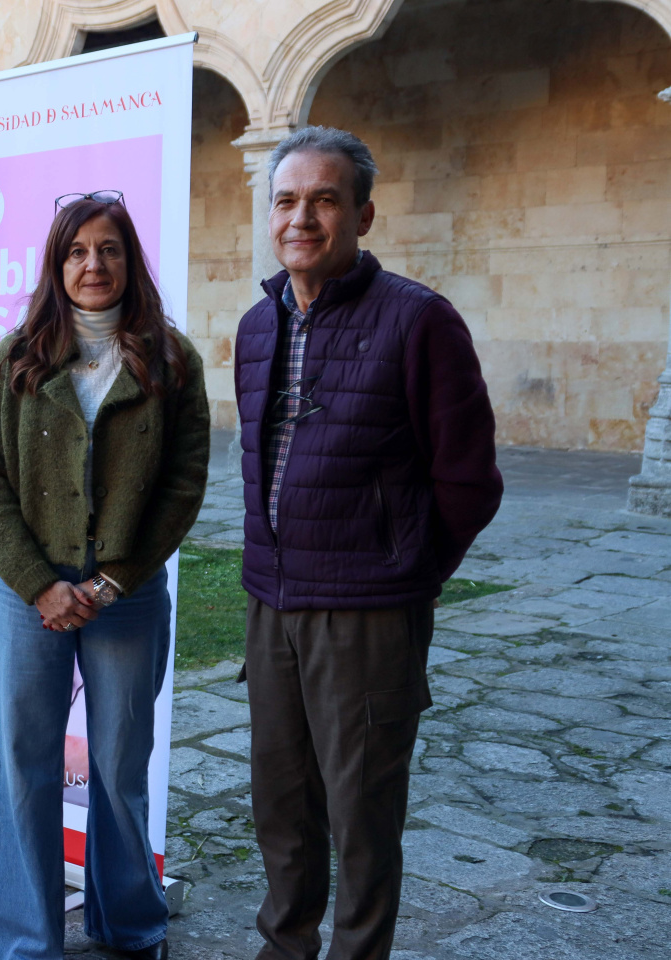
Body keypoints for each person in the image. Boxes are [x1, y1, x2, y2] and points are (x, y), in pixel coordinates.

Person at [235, 127, 503, 960]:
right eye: (286, 200)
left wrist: (405, 573)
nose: (301, 217)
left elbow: (470, 482)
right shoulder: (256, 323)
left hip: (367, 612)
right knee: (281, 807)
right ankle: (285, 949)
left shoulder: (420, 321)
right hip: (271, 604)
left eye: (324, 199)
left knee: (362, 818)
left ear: (364, 214)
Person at [0, 192, 210, 960]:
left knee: (116, 766)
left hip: (128, 597)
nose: (93, 265)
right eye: (77, 251)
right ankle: (25, 940)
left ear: (129, 260)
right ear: (56, 263)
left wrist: (112, 579)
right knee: (27, 767)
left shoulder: (172, 361)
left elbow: (182, 483)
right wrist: (39, 582)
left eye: (108, 249)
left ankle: (131, 925)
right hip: (27, 594)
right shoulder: (15, 359)